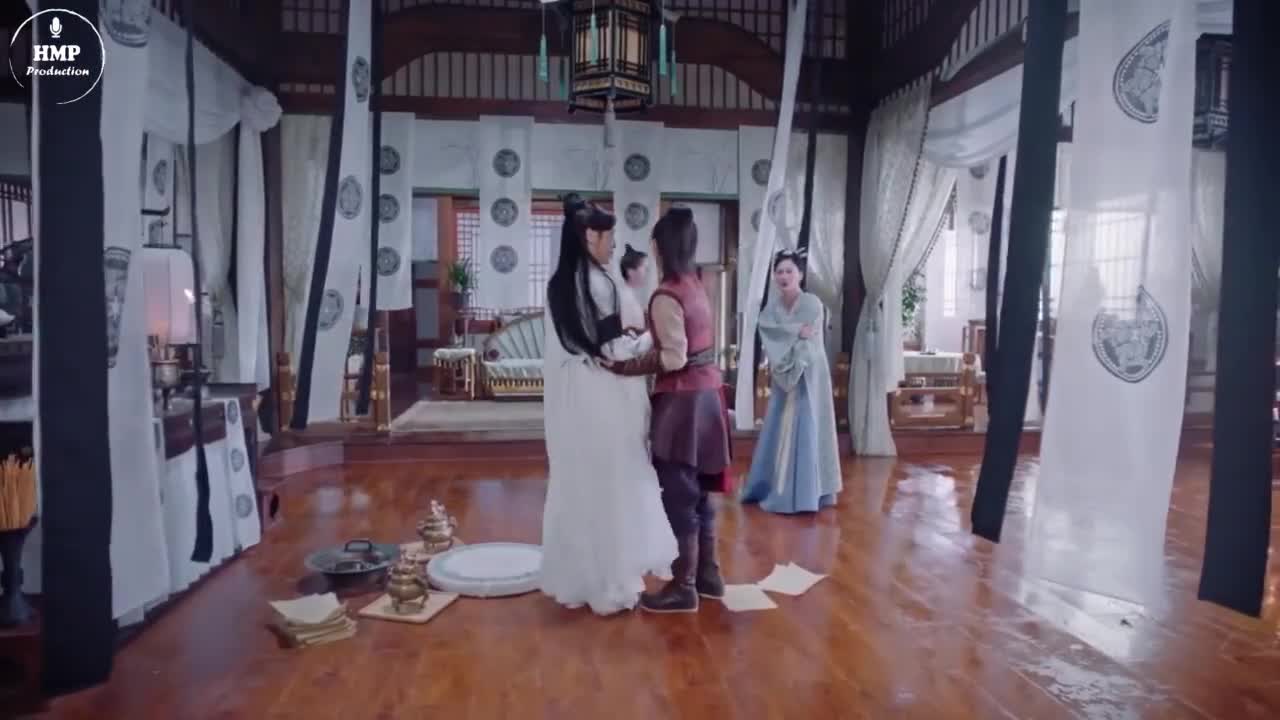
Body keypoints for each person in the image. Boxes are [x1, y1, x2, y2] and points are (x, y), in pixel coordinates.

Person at [539, 196, 675, 616]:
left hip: (575, 396)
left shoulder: (559, 282)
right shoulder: (599, 283)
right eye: (609, 237)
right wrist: (651, 338)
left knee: (583, 480)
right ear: (589, 236)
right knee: (614, 480)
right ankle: (612, 582)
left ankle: (581, 578)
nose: (614, 245)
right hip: (604, 392)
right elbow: (612, 350)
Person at [607, 207, 732, 613]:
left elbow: (674, 358)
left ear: (662, 248)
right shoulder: (697, 285)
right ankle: (708, 575)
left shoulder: (666, 294)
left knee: (679, 494)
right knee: (699, 493)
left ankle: (684, 586)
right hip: (709, 395)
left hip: (683, 402)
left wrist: (624, 366)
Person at [740, 249, 842, 513]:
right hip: (783, 371)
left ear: (800, 275)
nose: (784, 276)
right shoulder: (771, 308)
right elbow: (769, 331)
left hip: (810, 372)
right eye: (779, 271)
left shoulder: (812, 303)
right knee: (780, 425)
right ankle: (777, 488)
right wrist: (796, 331)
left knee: (807, 424)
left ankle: (810, 494)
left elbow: (808, 341)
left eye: (789, 271)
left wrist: (792, 340)